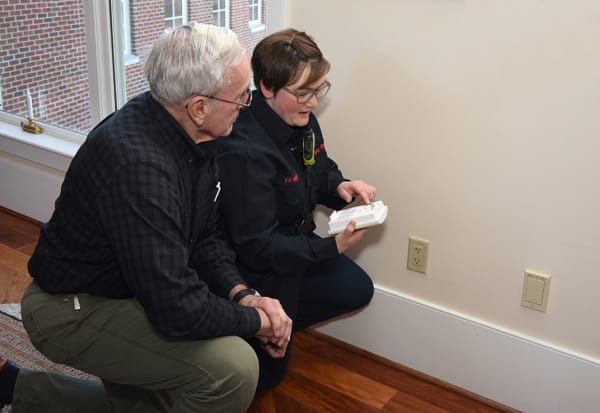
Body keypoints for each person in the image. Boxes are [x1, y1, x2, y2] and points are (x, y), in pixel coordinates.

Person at [0, 22, 292, 413]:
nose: (246, 106)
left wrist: (245, 295)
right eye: (241, 99)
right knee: (233, 369)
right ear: (199, 106)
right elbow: (178, 309)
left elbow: (206, 235)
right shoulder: (139, 166)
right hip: (69, 309)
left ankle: (12, 387)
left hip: (126, 290)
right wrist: (257, 323)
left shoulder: (189, 128)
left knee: (151, 405)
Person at [216, 28, 376, 391]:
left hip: (296, 245)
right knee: (267, 380)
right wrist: (331, 247)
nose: (314, 102)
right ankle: (246, 330)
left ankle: (266, 329)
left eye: (319, 90)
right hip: (259, 267)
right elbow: (258, 247)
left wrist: (340, 187)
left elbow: (320, 167)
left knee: (356, 290)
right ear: (267, 88)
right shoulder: (244, 150)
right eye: (303, 93)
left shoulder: (301, 118)